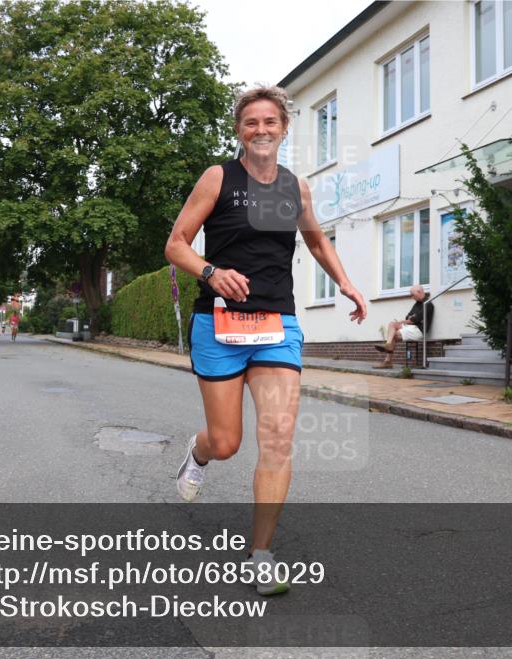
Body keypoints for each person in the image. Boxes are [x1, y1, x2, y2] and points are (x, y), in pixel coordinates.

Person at [164, 85, 366, 596]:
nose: (260, 130)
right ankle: (200, 451)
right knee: (227, 441)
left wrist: (344, 282)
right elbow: (176, 245)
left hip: (276, 324)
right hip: (219, 323)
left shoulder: (295, 188)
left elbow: (316, 238)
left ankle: (261, 555)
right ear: (239, 130)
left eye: (269, 122)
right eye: (250, 122)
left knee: (276, 437)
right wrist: (211, 272)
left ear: (283, 129)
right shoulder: (218, 178)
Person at [372, 285, 433, 369]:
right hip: (411, 327)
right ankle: (388, 345)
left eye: (413, 295)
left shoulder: (428, 304)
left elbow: (414, 319)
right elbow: (408, 317)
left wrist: (407, 320)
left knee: (394, 333)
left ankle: (387, 361)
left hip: (419, 330)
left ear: (419, 292)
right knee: (392, 324)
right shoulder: (417, 304)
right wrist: (410, 319)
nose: (412, 297)